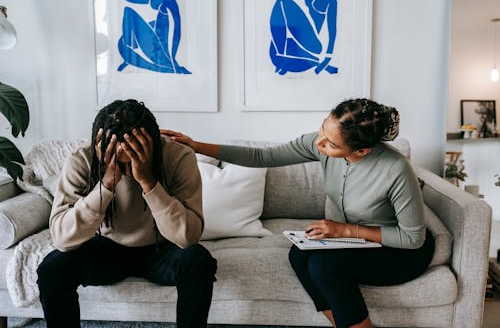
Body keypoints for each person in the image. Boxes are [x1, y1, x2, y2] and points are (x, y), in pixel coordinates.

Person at [161, 98, 435, 328]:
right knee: (299, 253)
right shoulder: (321, 144)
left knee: (323, 265)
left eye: (332, 144)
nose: (320, 144)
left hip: (398, 252)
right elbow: (262, 157)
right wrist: (196, 145)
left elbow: (413, 238)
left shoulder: (395, 169)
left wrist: (346, 230)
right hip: (356, 243)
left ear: (362, 150)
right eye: (322, 130)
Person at [37, 99, 216, 328]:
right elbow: (62, 239)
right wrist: (106, 185)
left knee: (199, 261)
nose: (128, 170)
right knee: (52, 269)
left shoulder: (178, 156)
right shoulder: (82, 158)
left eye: (133, 160)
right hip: (107, 246)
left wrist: (148, 182)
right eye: (120, 162)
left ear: (151, 145)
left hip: (162, 247)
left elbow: (187, 237)